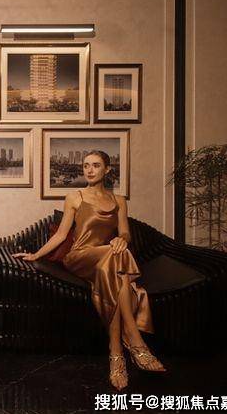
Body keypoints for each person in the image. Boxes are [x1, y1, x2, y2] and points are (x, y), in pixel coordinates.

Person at [13, 150, 165, 391]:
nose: (90, 170)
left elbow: (125, 232)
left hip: (107, 261)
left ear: (107, 169)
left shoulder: (119, 201)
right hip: (80, 257)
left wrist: (122, 239)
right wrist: (35, 255)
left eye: (95, 165)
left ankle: (116, 353)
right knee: (117, 256)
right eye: (86, 166)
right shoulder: (75, 197)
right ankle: (135, 341)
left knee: (112, 265)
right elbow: (62, 235)